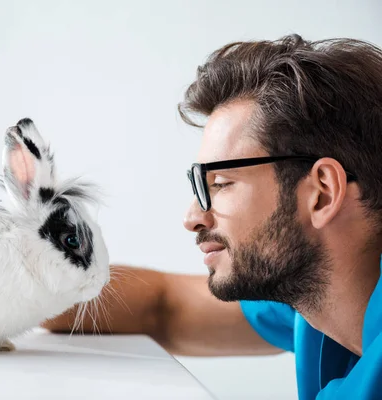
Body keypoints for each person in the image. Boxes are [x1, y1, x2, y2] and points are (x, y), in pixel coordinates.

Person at [41, 34, 382, 399]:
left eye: (220, 183)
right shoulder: (319, 294)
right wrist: (11, 277)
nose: (193, 217)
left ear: (322, 193)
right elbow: (164, 308)